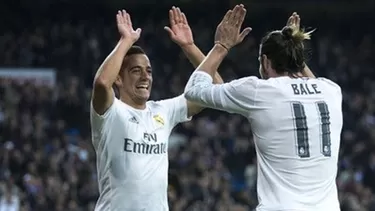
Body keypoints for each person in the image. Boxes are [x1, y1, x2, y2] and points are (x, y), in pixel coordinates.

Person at [185, 6, 342, 211]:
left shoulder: (258, 90)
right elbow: (309, 84)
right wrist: (293, 48)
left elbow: (194, 90)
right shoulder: (331, 90)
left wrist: (221, 46)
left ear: (265, 62)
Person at [89, 7, 227, 211]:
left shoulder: (163, 111)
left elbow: (216, 89)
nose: (145, 77)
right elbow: (101, 83)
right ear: (118, 78)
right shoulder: (110, 112)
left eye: (149, 71)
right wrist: (126, 41)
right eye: (136, 71)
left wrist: (189, 47)